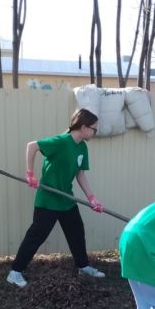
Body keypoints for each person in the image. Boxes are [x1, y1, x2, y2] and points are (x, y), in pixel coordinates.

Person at [7, 108, 106, 288]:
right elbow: (32, 146)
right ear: (83, 127)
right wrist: (30, 173)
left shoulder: (82, 147)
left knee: (76, 231)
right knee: (36, 235)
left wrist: (92, 198)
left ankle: (83, 266)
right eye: (94, 129)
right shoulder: (61, 142)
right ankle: (15, 272)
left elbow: (80, 174)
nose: (94, 132)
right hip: (48, 199)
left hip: (66, 199)